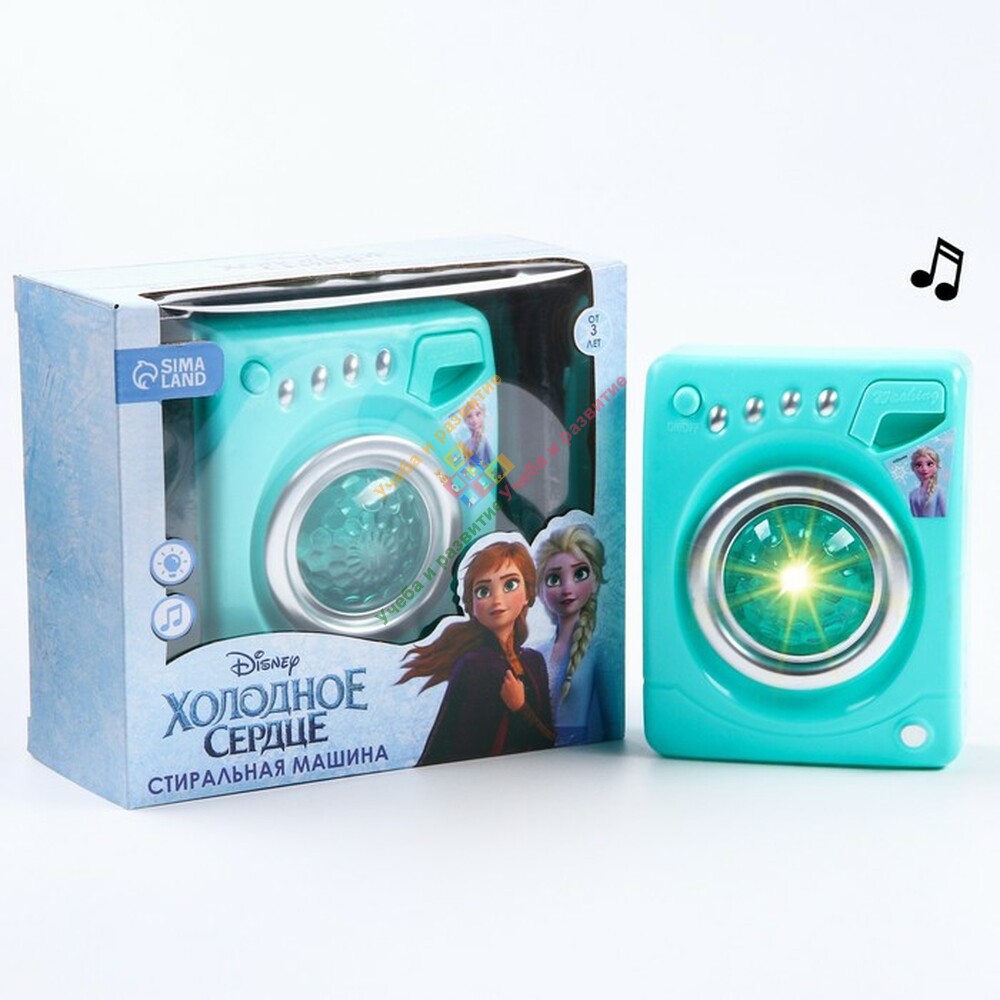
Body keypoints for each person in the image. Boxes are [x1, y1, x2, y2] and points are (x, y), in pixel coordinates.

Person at [400, 538, 554, 764]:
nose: (497, 600)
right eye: (483, 591)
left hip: (530, 774)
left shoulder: (534, 661)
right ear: (472, 605)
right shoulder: (475, 666)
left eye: (510, 585)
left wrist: (520, 707)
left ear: (528, 594)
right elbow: (453, 748)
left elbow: (548, 741)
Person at [534, 524, 614, 746]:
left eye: (580, 574)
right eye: (554, 579)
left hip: (583, 755)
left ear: (595, 580)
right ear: (540, 590)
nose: (567, 588)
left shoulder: (599, 652)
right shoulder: (537, 652)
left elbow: (611, 725)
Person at [909, 446, 947, 518]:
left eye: (929, 464)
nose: (924, 468)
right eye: (919, 465)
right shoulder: (912, 494)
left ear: (937, 466)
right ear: (913, 468)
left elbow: (945, 515)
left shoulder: (939, 491)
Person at [459, 400, 494, 471]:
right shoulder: (465, 443)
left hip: (488, 474)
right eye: (469, 416)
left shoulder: (487, 439)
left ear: (484, 415)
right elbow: (464, 465)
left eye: (478, 414)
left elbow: (495, 463)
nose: (474, 419)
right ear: (465, 420)